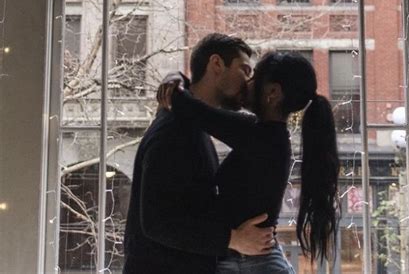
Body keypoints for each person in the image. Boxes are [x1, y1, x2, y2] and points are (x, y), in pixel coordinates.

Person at [158, 51, 341, 274]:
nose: (247, 83)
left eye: (254, 77)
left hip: (250, 263)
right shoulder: (271, 137)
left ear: (272, 92)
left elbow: (193, 109)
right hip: (254, 261)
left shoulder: (258, 135)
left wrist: (174, 79)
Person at [123, 34, 275, 274]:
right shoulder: (174, 130)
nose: (248, 82)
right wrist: (233, 239)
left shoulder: (190, 126)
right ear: (216, 64)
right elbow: (156, 222)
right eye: (244, 70)